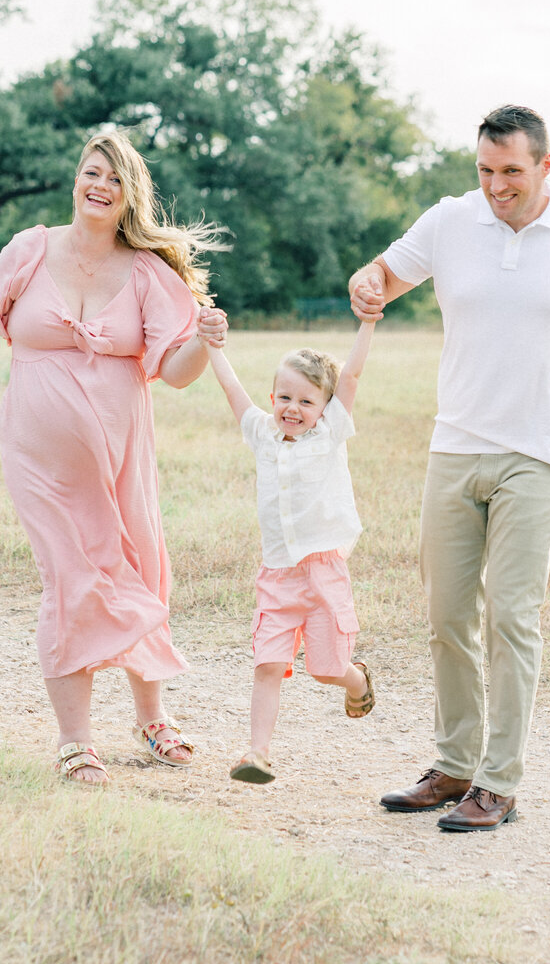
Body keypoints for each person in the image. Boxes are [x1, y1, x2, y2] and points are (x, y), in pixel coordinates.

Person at [349, 105, 550, 831]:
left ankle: (499, 782)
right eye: (486, 171)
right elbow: (383, 275)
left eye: (512, 172)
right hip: (454, 446)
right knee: (446, 615)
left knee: (512, 617)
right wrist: (366, 282)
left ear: (546, 166)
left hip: (539, 453)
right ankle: (455, 763)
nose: (497, 186)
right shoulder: (449, 221)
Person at [0, 131, 228, 785]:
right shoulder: (29, 250)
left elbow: (174, 370)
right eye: (92, 172)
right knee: (71, 578)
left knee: (141, 570)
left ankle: (152, 720)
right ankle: (75, 740)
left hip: (121, 455)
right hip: (40, 457)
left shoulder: (146, 273)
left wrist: (204, 337)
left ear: (129, 196)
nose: (101, 186)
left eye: (115, 179)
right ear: (76, 179)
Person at [200, 304, 379, 784]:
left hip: (323, 571)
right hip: (278, 573)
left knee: (326, 669)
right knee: (268, 663)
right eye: (284, 397)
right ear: (273, 397)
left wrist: (369, 321)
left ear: (324, 407)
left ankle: (355, 677)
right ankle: (257, 754)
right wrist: (213, 346)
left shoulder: (330, 434)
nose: (292, 409)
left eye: (305, 401)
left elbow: (354, 374)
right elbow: (232, 390)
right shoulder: (262, 433)